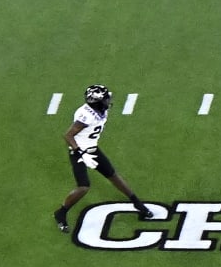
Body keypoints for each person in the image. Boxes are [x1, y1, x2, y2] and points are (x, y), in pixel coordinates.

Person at [54, 84, 150, 233]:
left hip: (92, 148)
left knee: (113, 175)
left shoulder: (99, 110)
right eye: (105, 99)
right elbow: (68, 135)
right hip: (79, 151)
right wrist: (81, 153)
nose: (107, 101)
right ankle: (61, 213)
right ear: (96, 102)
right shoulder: (86, 115)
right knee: (83, 186)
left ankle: (137, 203)